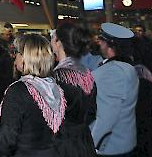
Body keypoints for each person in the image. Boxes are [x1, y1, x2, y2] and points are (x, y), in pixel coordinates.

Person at [0, 33, 66, 157]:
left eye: (17, 52)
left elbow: (6, 139)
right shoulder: (56, 88)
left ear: (25, 57)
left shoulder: (19, 90)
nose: (14, 56)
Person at [92, 23, 139, 157]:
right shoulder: (126, 67)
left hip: (110, 147)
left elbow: (106, 117)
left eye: (101, 41)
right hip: (122, 142)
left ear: (110, 45)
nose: (99, 44)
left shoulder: (113, 72)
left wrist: (91, 145)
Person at [50, 23, 97, 157]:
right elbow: (92, 111)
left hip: (63, 144)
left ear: (59, 43)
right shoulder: (86, 73)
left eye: (53, 37)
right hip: (84, 140)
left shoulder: (59, 76)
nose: (51, 41)